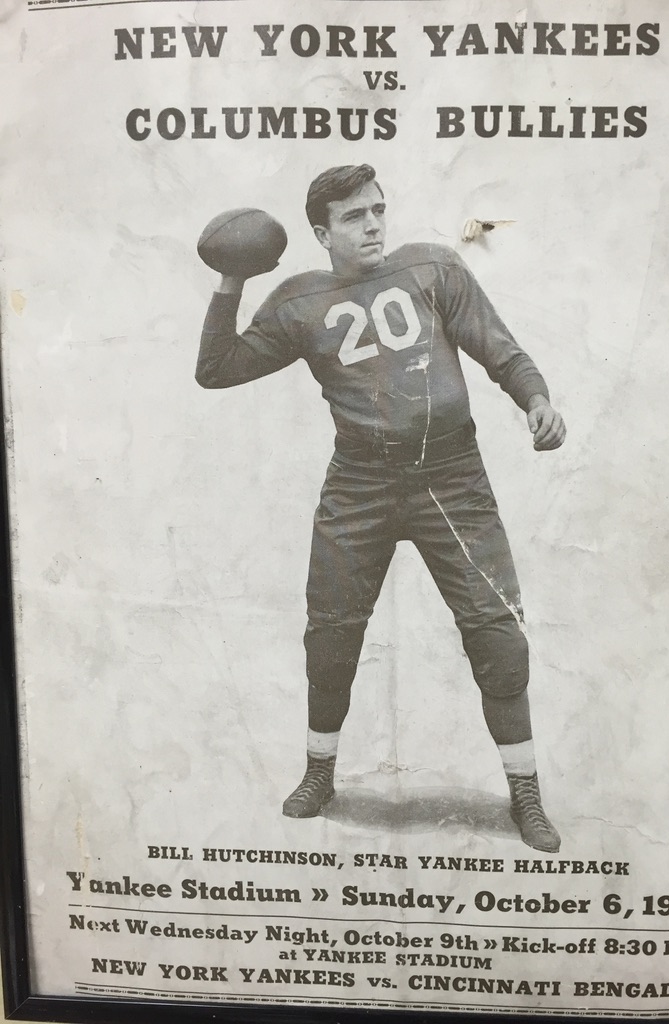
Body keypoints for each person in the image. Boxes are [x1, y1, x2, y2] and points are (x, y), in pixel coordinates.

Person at [196, 164, 566, 852]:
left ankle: (526, 792)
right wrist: (231, 280)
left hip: (451, 476)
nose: (371, 224)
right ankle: (319, 773)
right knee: (331, 634)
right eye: (353, 216)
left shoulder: (432, 268)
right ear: (320, 232)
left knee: (498, 636)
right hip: (360, 482)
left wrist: (537, 399)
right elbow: (216, 370)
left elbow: (500, 349)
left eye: (377, 210)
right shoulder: (299, 300)